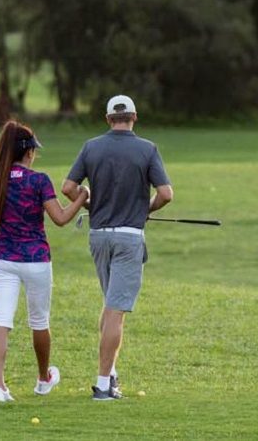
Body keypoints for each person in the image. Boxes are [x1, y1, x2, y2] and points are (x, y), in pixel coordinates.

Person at [61, 95, 172, 401]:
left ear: (108, 118)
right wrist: (145, 209)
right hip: (128, 238)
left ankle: (111, 375)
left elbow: (68, 188)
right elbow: (166, 194)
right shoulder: (147, 149)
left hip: (98, 236)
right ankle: (102, 385)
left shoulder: (91, 146)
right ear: (133, 117)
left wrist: (88, 198)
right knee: (116, 311)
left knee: (111, 305)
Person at [0, 121, 87, 403]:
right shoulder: (39, 181)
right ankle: (42, 379)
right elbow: (61, 219)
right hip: (37, 259)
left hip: (4, 258)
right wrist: (84, 196)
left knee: (2, 321)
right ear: (28, 152)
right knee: (39, 322)